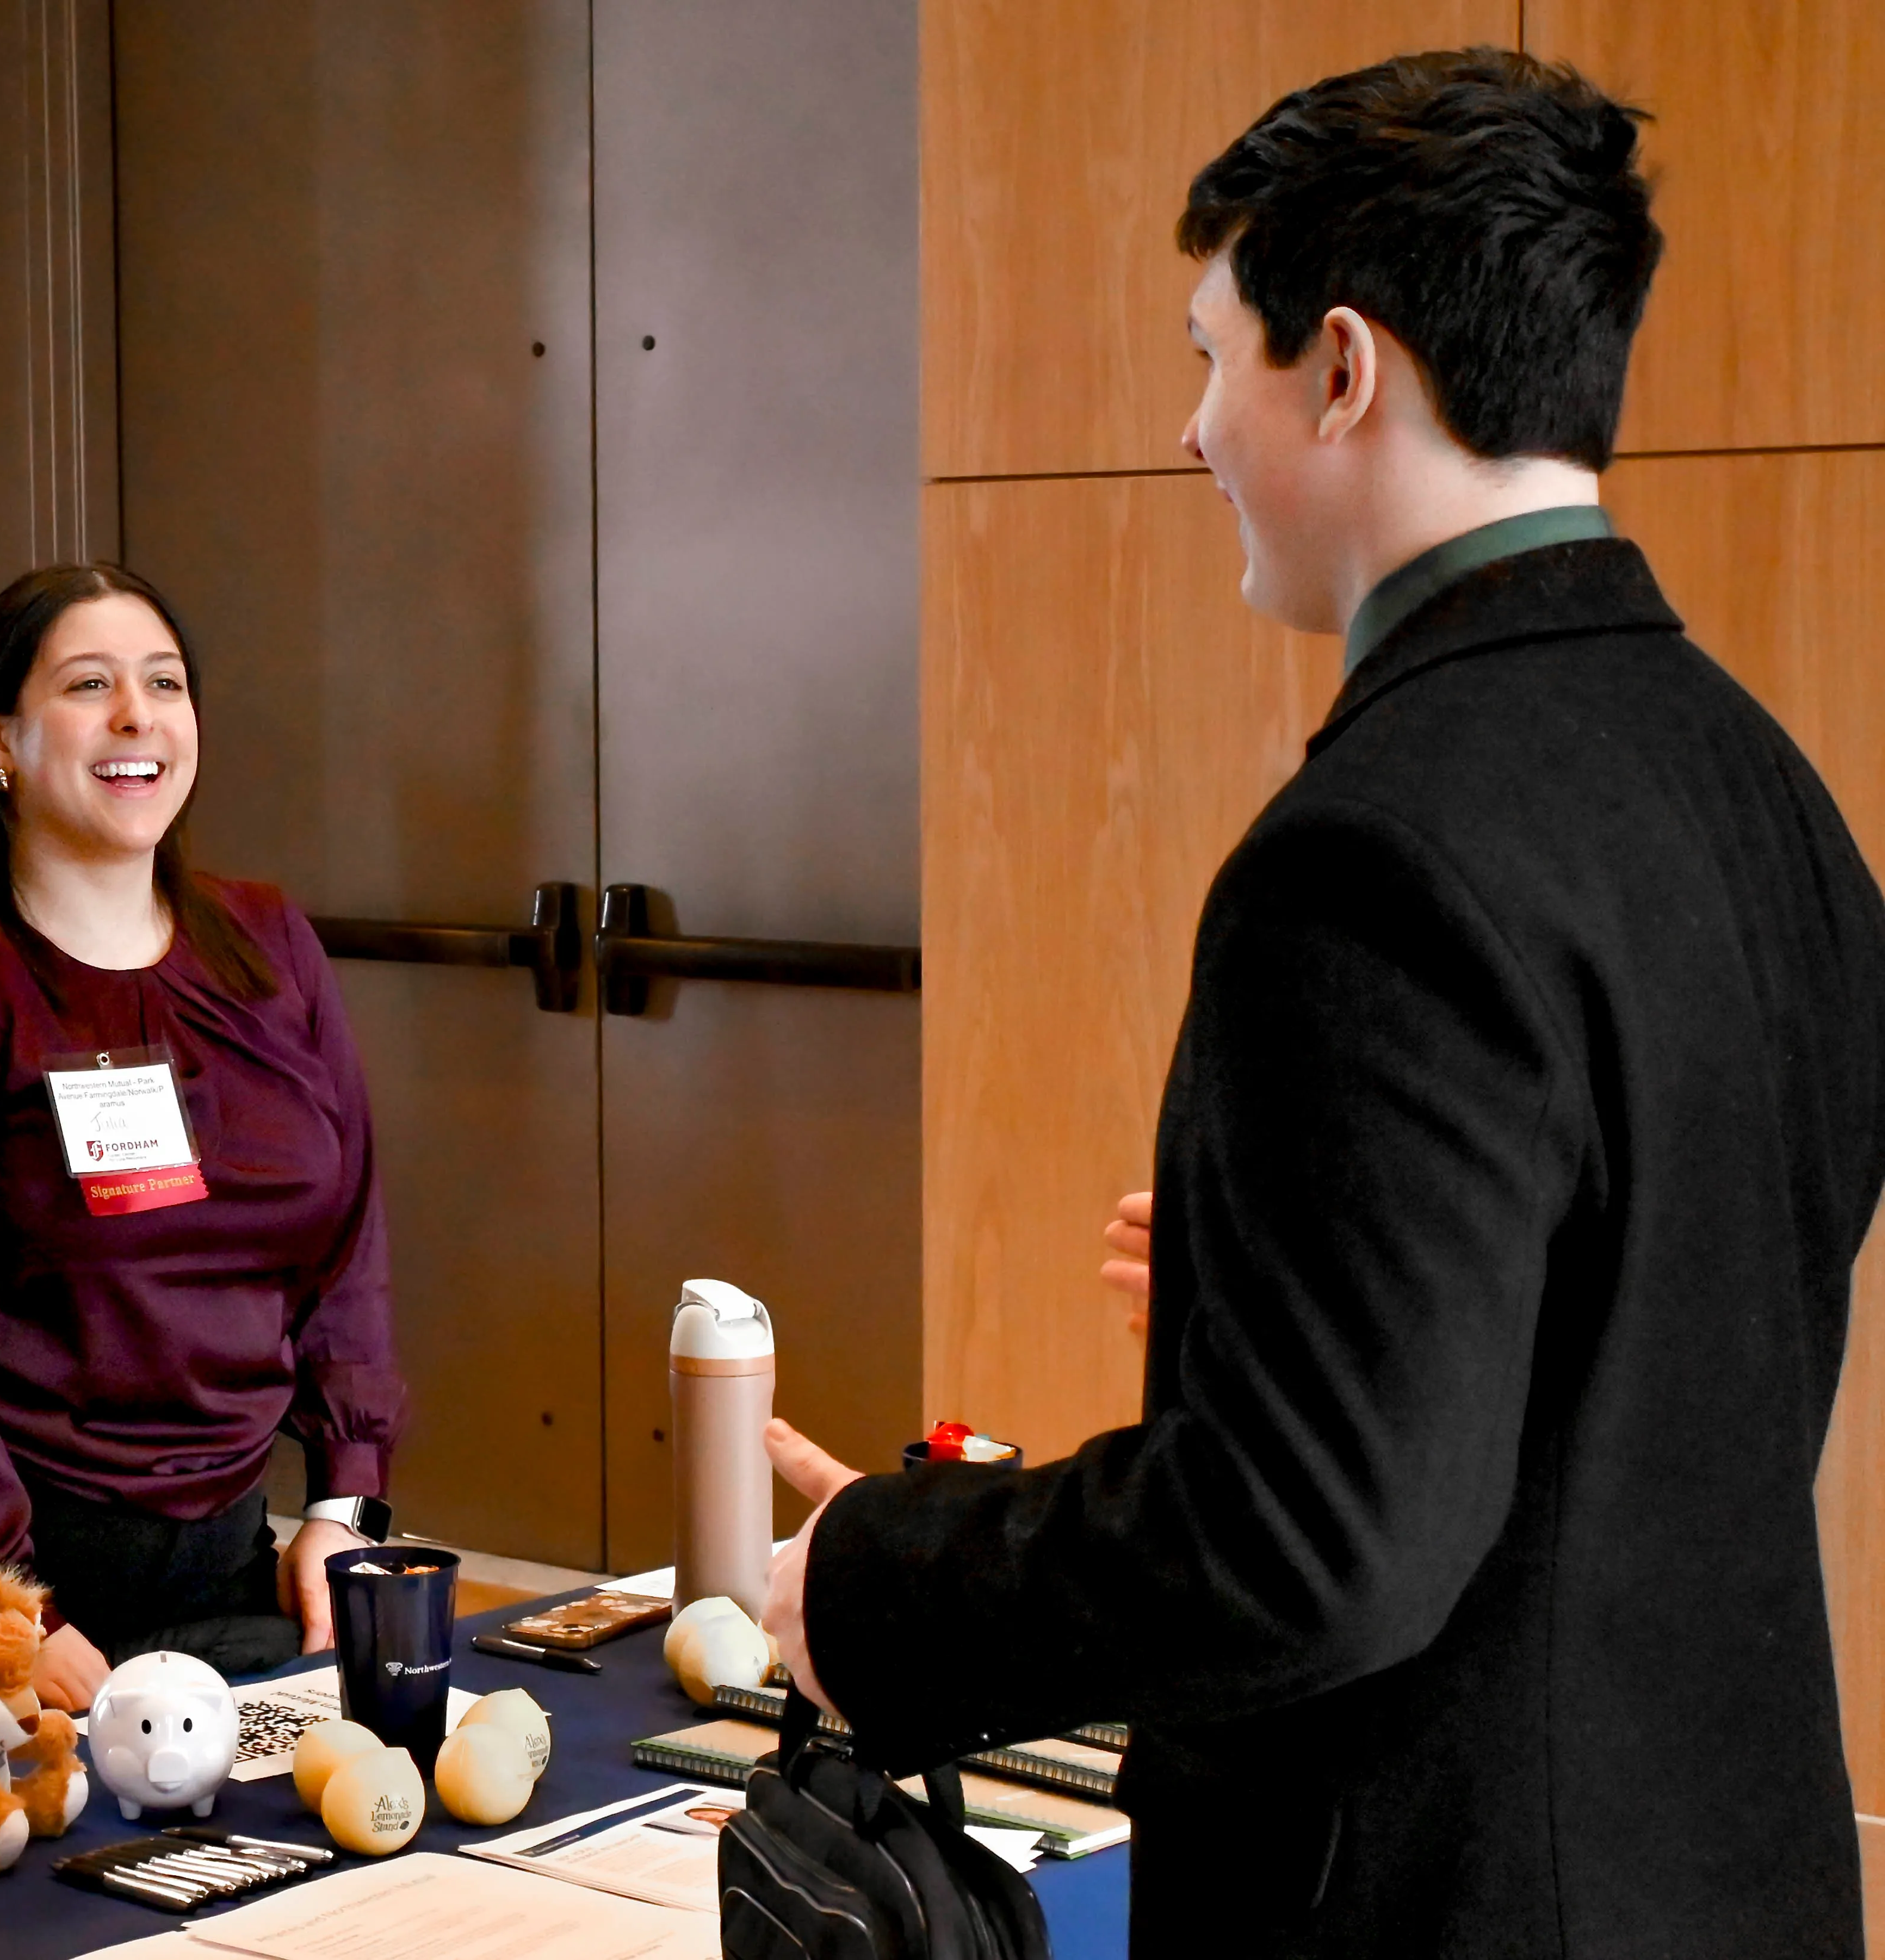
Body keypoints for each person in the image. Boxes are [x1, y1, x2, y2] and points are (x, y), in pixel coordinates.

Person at [760, 51, 1881, 1958]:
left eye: (1210, 356)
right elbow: (1633, 1333)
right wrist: (1274, 1276)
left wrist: (873, 1581)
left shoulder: (1369, 849)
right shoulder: (1759, 786)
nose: (1193, 427)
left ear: (1341, 368)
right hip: (1728, 1866)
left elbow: (1304, 1552)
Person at [0, 564, 403, 1708]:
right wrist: (1, 1603)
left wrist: (344, 1503)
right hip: (23, 1587)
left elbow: (349, 1250)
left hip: (242, 1574)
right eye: (90, 685)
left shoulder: (267, 946)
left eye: (165, 683)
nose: (138, 717)